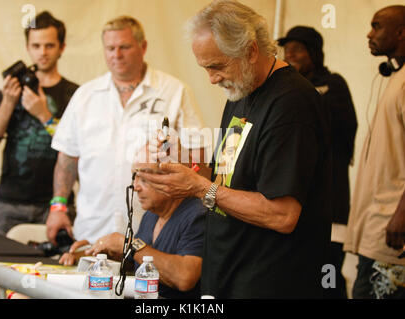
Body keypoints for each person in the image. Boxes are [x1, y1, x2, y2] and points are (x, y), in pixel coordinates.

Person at [138, 0, 332, 298]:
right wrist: (184, 161)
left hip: (271, 282)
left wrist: (199, 188)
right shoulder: (241, 89)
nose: (212, 79)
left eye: (217, 66)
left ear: (251, 51)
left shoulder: (291, 103)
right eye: (205, 68)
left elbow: (282, 214)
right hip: (228, 275)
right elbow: (227, 179)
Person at [47, 16, 205, 247]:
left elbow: (199, 155)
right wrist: (58, 207)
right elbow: (67, 157)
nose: (116, 55)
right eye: (110, 48)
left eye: (124, 47)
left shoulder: (174, 91)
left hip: (155, 234)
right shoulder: (85, 95)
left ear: (143, 47)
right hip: (92, 232)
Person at [60, 144, 206, 299]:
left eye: (143, 178)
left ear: (170, 178)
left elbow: (184, 277)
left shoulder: (197, 215)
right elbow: (143, 262)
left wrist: (129, 245)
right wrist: (98, 256)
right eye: (134, 177)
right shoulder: (151, 216)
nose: (135, 187)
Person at [278, 26, 358, 299]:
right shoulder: (285, 88)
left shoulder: (332, 84)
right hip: (299, 203)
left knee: (330, 272)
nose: (290, 56)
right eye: (286, 51)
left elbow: (345, 133)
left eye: (297, 50)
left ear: (314, 53)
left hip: (331, 199)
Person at [0, 11, 79, 236]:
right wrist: (8, 102)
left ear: (61, 47)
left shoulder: (75, 94)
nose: (42, 53)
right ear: (27, 47)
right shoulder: (12, 88)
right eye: (36, 46)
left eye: (49, 46)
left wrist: (43, 114)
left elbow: (79, 149)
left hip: (56, 202)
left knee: (60, 268)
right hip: (10, 199)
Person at [344, 5, 405, 299]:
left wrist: (401, 215)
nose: (369, 34)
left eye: (377, 26)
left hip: (392, 225)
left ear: (401, 32)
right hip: (377, 222)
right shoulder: (395, 76)